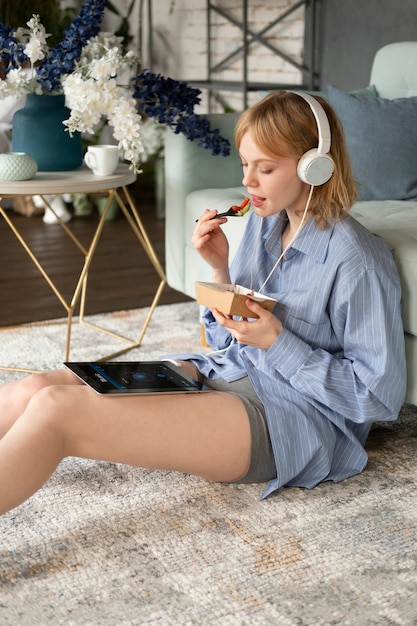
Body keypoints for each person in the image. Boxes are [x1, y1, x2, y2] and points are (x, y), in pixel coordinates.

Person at [0, 91, 406, 514]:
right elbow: (225, 340)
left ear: (314, 166)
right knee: (39, 387)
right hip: (223, 372)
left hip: (291, 420)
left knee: (56, 411)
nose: (248, 181)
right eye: (245, 164)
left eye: (265, 168)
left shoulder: (357, 261)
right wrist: (220, 272)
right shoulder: (263, 228)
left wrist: (278, 342)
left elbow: (378, 397)